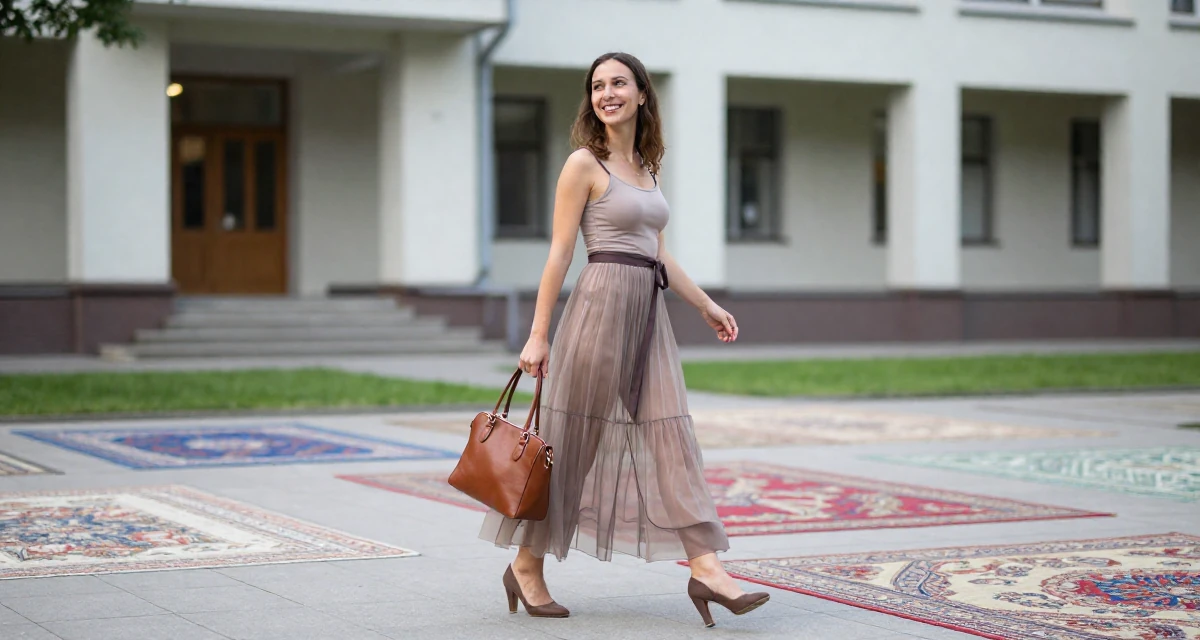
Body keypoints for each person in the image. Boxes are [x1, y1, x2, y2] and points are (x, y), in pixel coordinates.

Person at [478, 51, 769, 629]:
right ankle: (527, 566)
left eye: (618, 83)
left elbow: (657, 251)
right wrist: (538, 336)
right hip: (598, 307)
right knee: (573, 447)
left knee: (670, 437)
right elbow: (560, 254)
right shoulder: (583, 165)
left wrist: (707, 304)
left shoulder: (645, 166)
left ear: (641, 94)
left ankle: (707, 568)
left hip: (648, 316)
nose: (606, 93)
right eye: (597, 86)